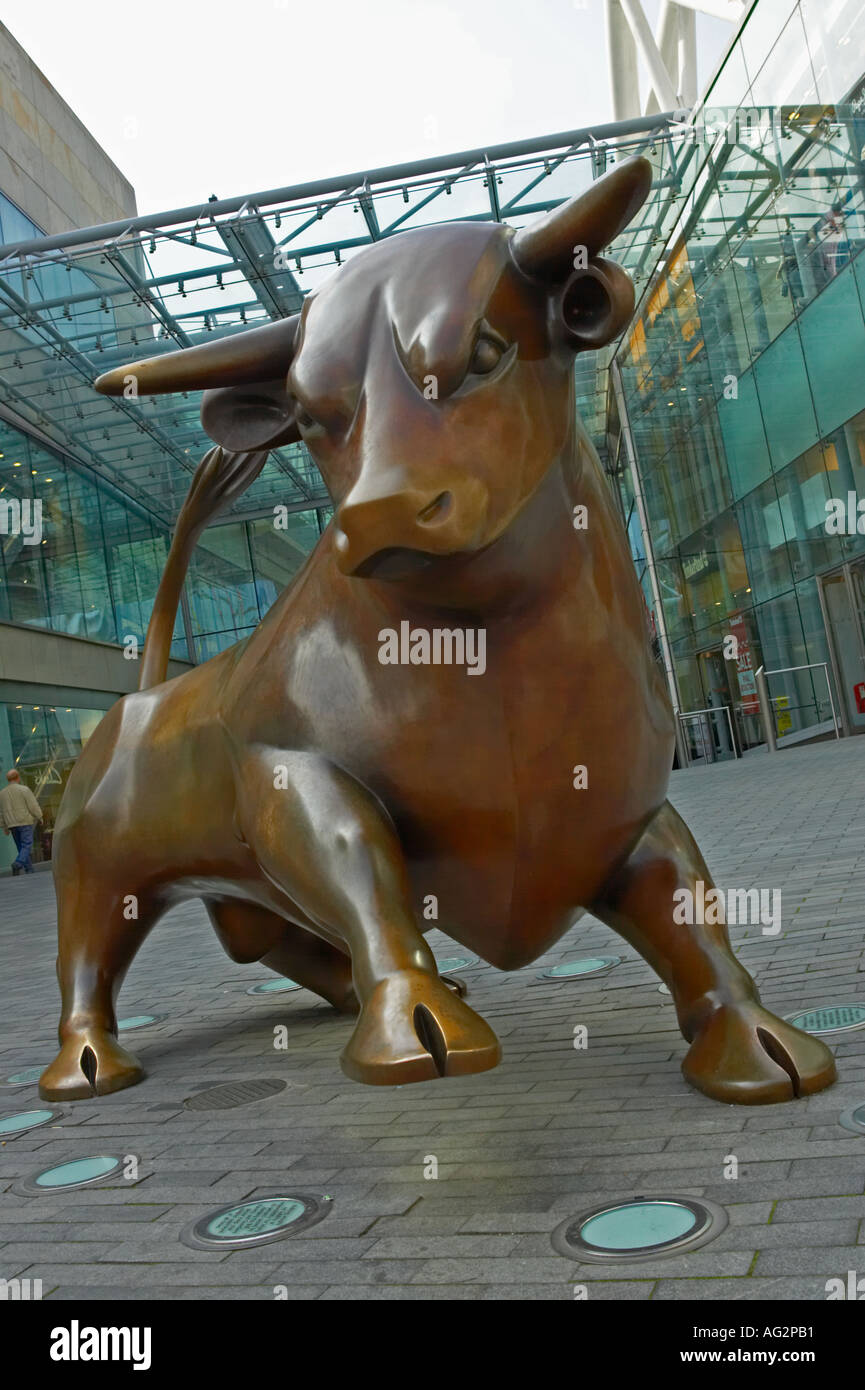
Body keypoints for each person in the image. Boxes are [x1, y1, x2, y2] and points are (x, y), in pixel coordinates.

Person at [0, 769, 43, 876]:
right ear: (18, 777)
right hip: (24, 821)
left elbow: (1, 813)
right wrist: (39, 816)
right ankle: (18, 863)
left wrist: (4, 826)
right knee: (27, 844)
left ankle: (29, 869)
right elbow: (33, 805)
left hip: (11, 824)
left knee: (21, 847)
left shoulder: (2, 793)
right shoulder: (24, 790)